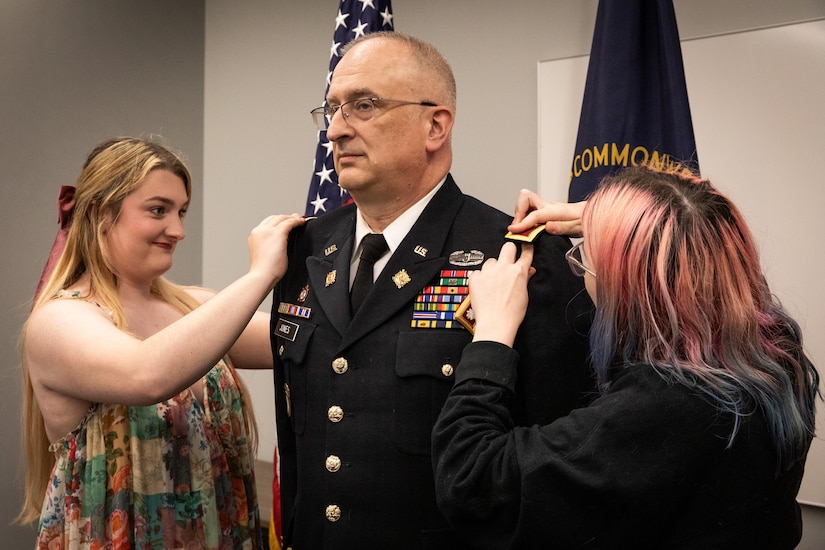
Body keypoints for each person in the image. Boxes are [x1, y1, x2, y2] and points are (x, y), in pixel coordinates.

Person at [270, 32, 594, 549]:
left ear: (435, 125)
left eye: (363, 106)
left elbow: (554, 461)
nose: (334, 130)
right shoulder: (302, 249)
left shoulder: (515, 254)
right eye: (330, 109)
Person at [432, 165, 820, 549]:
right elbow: (708, 235)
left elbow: (474, 481)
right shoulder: (777, 353)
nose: (581, 266)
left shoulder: (667, 406)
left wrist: (493, 335)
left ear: (630, 291)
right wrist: (620, 219)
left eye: (586, 259)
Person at [18, 137, 306, 549]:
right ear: (101, 212)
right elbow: (147, 375)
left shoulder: (196, 308)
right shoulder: (59, 321)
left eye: (182, 211)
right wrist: (260, 275)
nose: (178, 230)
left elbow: (308, 341)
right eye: (158, 210)